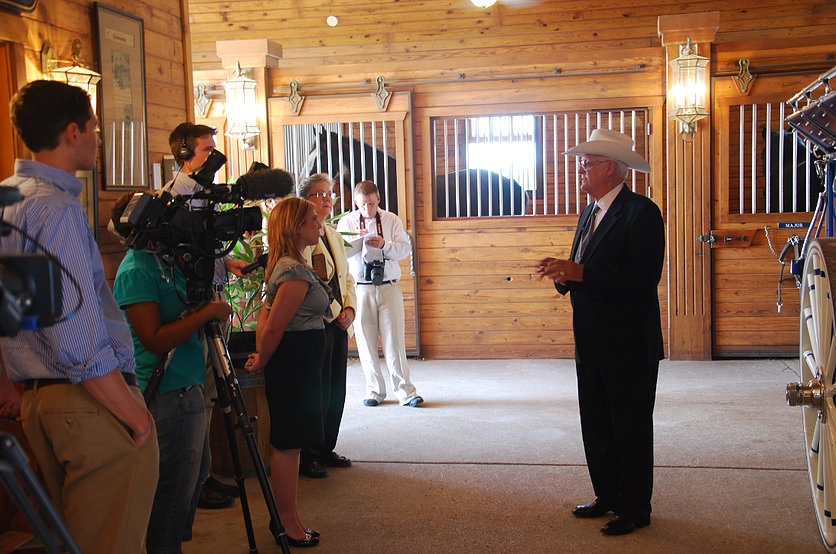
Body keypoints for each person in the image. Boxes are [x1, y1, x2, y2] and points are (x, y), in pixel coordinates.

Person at [0, 79, 158, 553]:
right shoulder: (56, 209)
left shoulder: (8, 196)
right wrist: (133, 413)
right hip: (87, 400)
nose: (97, 138)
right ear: (73, 131)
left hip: (40, 402)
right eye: (94, 127)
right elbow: (74, 335)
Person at [537, 128, 664, 536]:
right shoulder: (589, 213)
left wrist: (582, 272)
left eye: (587, 164)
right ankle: (607, 494)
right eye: (581, 163)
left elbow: (643, 277)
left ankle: (634, 509)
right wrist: (564, 273)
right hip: (590, 340)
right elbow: (582, 267)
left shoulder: (642, 212)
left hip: (628, 342)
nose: (580, 170)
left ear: (611, 168)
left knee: (630, 427)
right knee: (596, 423)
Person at [111, 193, 233, 554]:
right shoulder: (136, 270)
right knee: (173, 485)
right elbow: (153, 339)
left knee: (193, 477)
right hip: (165, 390)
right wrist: (208, 313)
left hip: (188, 383)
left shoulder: (165, 261)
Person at [164, 121, 246, 508]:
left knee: (214, 392)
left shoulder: (205, 195)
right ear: (184, 154)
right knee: (202, 391)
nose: (213, 158)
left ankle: (205, 474)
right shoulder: (171, 199)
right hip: (193, 308)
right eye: (205, 151)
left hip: (216, 297)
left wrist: (227, 262)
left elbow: (207, 240)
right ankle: (196, 480)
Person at [244, 197, 329, 547]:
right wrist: (263, 358)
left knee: (290, 441)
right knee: (288, 444)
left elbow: (265, 316)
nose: (319, 224)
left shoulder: (286, 264)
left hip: (297, 361)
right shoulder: (292, 271)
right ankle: (286, 522)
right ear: (296, 228)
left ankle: (288, 518)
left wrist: (262, 352)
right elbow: (275, 326)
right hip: (293, 362)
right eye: (312, 219)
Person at [336, 181, 423, 408]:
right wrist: (356, 242)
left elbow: (405, 249)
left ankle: (405, 392)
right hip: (361, 287)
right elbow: (338, 255)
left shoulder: (392, 219)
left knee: (395, 340)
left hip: (389, 285)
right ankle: (374, 391)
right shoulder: (346, 222)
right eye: (363, 205)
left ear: (379, 199)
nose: (367, 209)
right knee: (365, 341)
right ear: (356, 202)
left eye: (372, 204)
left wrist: (384, 245)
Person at [298, 174, 357, 478]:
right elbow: (311, 282)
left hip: (338, 322)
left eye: (330, 194)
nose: (326, 199)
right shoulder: (301, 235)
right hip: (317, 322)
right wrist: (335, 312)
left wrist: (349, 309)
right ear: (305, 199)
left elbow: (345, 277)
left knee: (336, 387)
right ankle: (308, 454)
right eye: (319, 194)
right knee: (316, 390)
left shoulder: (332, 233)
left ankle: (326, 447)